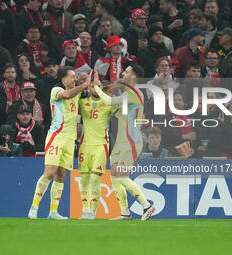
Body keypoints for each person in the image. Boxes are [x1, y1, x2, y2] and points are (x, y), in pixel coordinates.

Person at [93, 63, 155, 221]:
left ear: (133, 77)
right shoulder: (129, 94)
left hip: (131, 141)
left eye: (126, 72)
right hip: (122, 141)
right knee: (114, 177)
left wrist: (97, 88)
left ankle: (147, 205)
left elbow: (109, 102)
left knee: (121, 176)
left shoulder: (135, 93)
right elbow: (117, 112)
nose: (123, 74)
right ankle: (125, 212)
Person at [28, 66, 90, 220]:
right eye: (72, 76)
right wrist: (84, 85)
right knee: (50, 171)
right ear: (64, 80)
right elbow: (67, 95)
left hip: (70, 139)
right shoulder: (56, 90)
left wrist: (98, 84)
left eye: (75, 76)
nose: (75, 79)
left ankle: (53, 212)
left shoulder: (78, 93)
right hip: (57, 136)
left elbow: (93, 93)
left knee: (61, 175)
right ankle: (34, 208)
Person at [77, 72, 112, 219]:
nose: (95, 88)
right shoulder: (82, 102)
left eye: (98, 87)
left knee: (94, 179)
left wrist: (98, 87)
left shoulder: (107, 103)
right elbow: (70, 97)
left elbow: (111, 102)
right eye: (93, 87)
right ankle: (85, 210)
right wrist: (85, 84)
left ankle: (92, 211)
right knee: (84, 180)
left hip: (101, 145)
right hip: (85, 145)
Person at [0, 63, 20, 128]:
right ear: (4, 75)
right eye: (8, 72)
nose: (10, 74)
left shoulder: (21, 87)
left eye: (12, 72)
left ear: (16, 74)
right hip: (3, 121)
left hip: (20, 119)